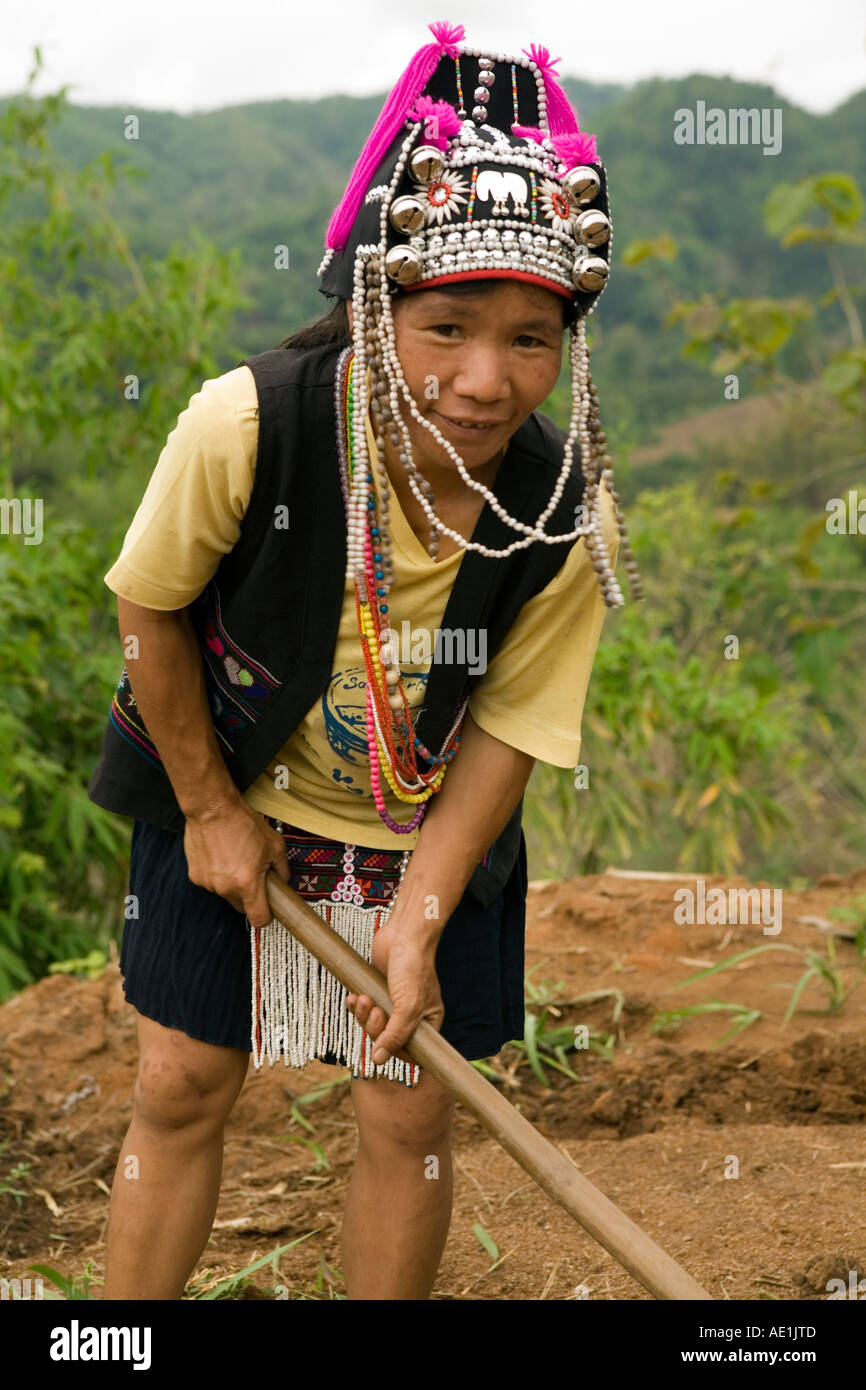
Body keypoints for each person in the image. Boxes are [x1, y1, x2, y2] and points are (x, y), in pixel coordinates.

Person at [87, 19, 642, 1301]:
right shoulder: (250, 424)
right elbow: (150, 613)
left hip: (425, 817)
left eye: (528, 339)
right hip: (219, 779)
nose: (483, 380)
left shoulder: (562, 507)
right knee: (180, 1081)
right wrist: (210, 813)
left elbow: (506, 724)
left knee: (406, 1106)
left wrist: (422, 910)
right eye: (446, 327)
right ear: (375, 305)